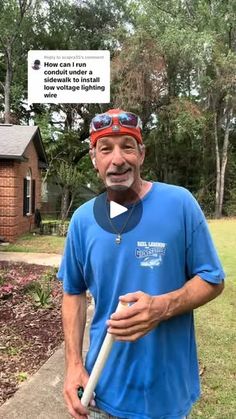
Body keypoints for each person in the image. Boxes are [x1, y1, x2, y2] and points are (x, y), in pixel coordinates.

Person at [58, 108, 225, 419]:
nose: (118, 159)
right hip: (102, 389)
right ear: (94, 159)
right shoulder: (82, 221)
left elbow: (212, 279)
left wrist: (161, 307)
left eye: (128, 146)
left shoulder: (179, 204)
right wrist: (73, 365)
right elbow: (73, 292)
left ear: (142, 154)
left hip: (166, 393)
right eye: (106, 149)